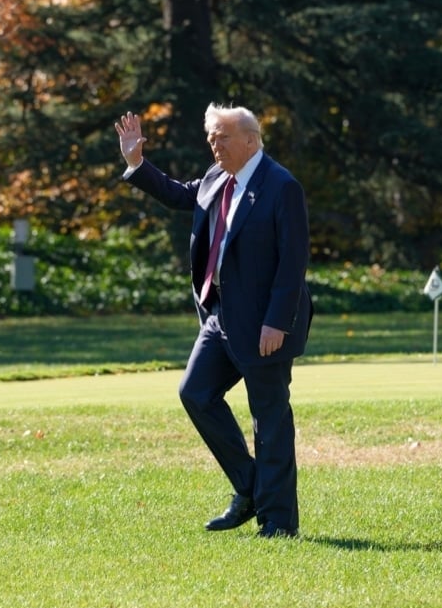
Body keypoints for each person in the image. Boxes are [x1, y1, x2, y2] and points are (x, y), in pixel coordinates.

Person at [114, 104, 313, 538]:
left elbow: (292, 262)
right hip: (220, 316)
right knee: (196, 393)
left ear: (250, 139)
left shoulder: (282, 187)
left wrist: (277, 322)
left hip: (266, 324)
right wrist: (137, 164)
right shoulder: (215, 178)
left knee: (270, 420)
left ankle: (279, 523)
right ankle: (251, 488)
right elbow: (179, 195)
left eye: (221, 137)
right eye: (210, 137)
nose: (213, 144)